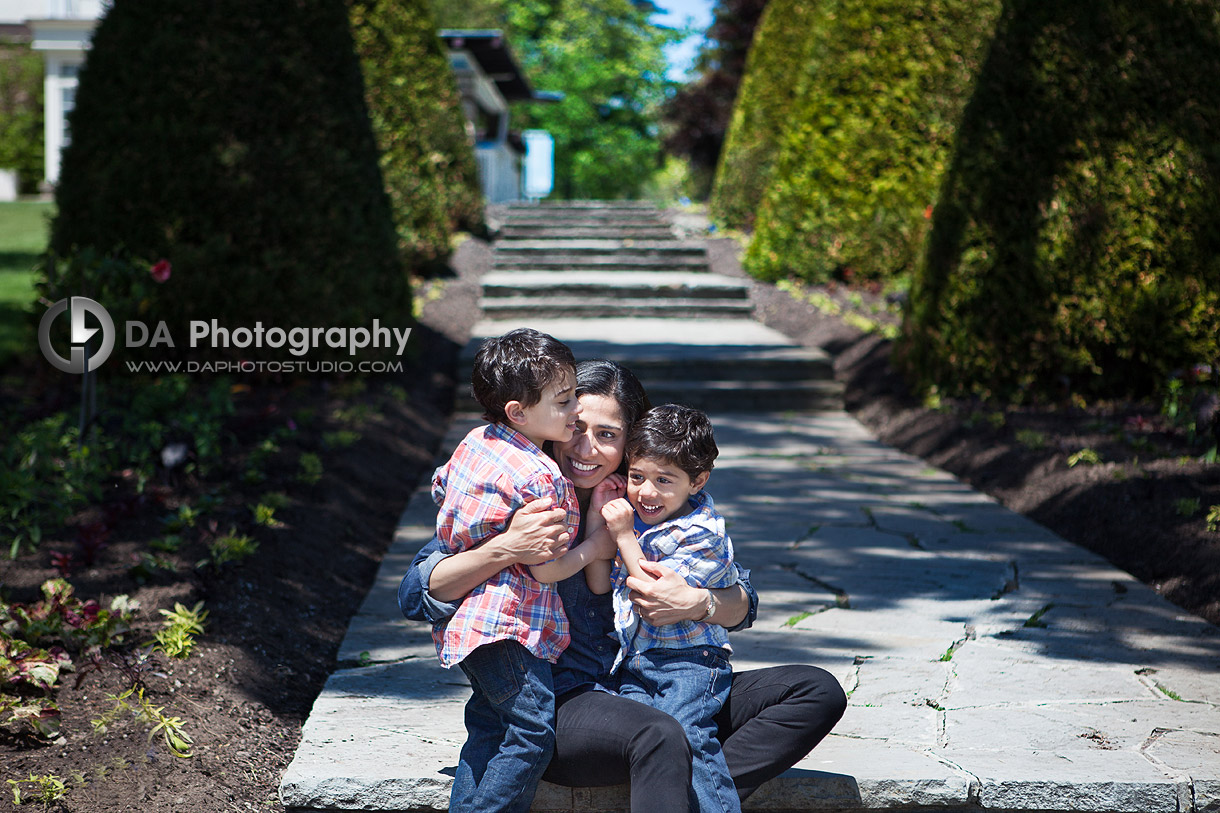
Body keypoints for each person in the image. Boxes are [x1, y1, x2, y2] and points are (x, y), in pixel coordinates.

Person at [400, 359, 847, 813]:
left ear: (632, 443)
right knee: (659, 734)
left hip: (654, 685)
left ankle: (682, 792)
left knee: (816, 690)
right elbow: (416, 593)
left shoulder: (649, 502)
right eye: (576, 427)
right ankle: (673, 776)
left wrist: (697, 603)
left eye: (608, 435)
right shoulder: (526, 500)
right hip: (561, 708)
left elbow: (743, 603)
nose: (586, 448)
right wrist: (508, 548)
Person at [429, 329, 611, 813]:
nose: (577, 410)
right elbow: (548, 568)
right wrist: (594, 544)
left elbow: (440, 486)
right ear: (518, 412)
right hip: (508, 625)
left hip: (466, 625)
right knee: (532, 733)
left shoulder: (474, 441)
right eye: (565, 400)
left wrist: (479, 528)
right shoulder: (542, 476)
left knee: (490, 727)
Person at [597, 404, 741, 812]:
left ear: (698, 481)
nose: (646, 491)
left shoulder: (704, 534)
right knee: (654, 747)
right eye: (637, 476)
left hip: (690, 663)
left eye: (664, 480)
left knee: (688, 734)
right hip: (636, 662)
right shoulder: (644, 517)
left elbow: (649, 591)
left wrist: (622, 534)